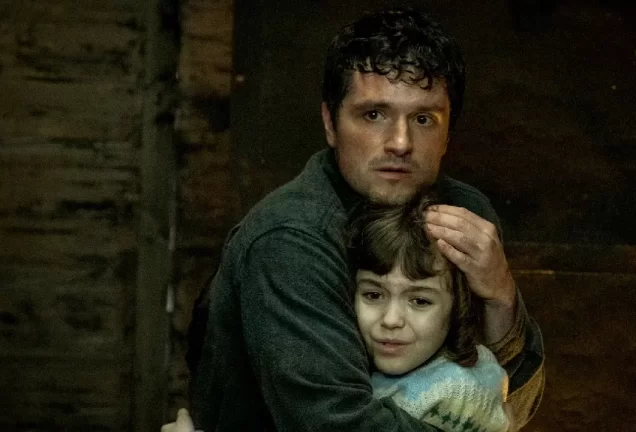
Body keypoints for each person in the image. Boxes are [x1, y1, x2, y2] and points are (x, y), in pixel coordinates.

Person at [189, 7, 544, 431]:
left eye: (423, 119)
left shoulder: (464, 217)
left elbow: (512, 405)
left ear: (448, 134)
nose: (400, 143)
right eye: (373, 114)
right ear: (330, 123)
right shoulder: (290, 239)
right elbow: (338, 424)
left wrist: (501, 297)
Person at [349, 192, 515, 432]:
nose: (391, 320)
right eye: (373, 295)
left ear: (457, 308)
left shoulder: (457, 394)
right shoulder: (349, 366)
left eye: (420, 301)